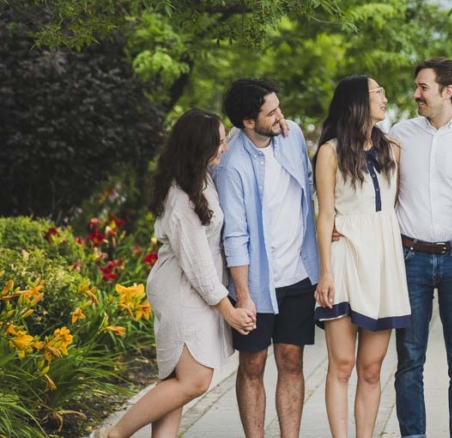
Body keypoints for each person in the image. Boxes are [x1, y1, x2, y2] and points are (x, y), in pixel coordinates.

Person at [93, 110, 255, 438]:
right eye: (220, 142)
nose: (225, 148)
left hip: (196, 289)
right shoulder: (180, 196)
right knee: (195, 380)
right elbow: (196, 264)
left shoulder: (200, 177)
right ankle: (114, 434)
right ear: (199, 146)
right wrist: (229, 311)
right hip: (183, 292)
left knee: (175, 382)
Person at [213, 79, 320, 438]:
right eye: (271, 113)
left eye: (279, 108)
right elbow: (235, 235)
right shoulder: (231, 164)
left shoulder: (291, 138)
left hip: (298, 275)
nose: (281, 117)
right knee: (254, 364)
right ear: (247, 121)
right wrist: (243, 295)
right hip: (257, 283)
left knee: (292, 361)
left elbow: (309, 192)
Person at [389, 58, 452, 438]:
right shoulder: (400, 133)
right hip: (409, 258)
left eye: (423, 88)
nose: (416, 94)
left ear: (448, 91)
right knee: (409, 360)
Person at [314, 75, 411, 438]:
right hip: (345, 259)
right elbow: (325, 214)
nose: (385, 97)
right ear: (357, 101)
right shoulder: (331, 151)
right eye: (377, 92)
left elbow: (392, 207)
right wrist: (325, 272)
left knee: (371, 368)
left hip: (385, 264)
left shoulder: (394, 148)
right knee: (341, 365)